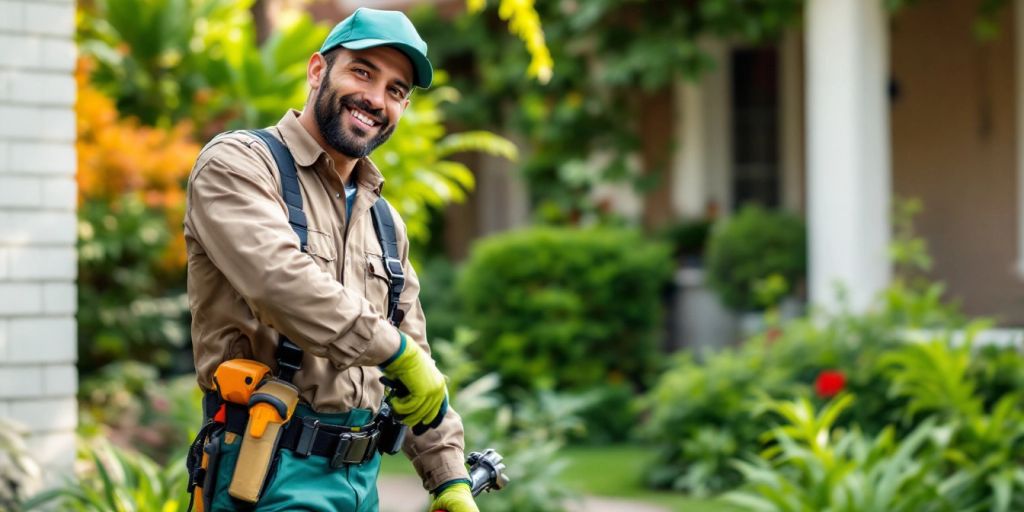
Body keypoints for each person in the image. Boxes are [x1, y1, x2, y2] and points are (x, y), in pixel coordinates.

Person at [184, 8, 477, 512]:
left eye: (396, 90)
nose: (376, 99)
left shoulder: (384, 221)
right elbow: (278, 281)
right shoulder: (239, 164)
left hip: (360, 482)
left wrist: (448, 476)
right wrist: (396, 352)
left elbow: (417, 361)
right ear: (318, 70)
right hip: (263, 468)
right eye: (362, 72)